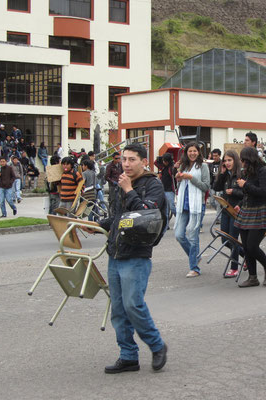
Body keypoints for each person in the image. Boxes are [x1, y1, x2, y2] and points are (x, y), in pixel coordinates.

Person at [82, 143, 168, 374]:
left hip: (137, 255)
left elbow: (145, 214)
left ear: (143, 162)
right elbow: (121, 218)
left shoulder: (153, 185)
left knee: (133, 305)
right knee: (119, 310)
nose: (126, 164)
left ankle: (157, 345)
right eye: (124, 159)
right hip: (116, 253)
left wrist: (129, 190)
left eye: (132, 160)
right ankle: (128, 356)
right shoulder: (122, 183)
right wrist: (98, 225)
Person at [234, 147, 266, 287]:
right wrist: (240, 204)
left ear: (250, 159)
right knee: (246, 247)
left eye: (243, 159)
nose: (242, 162)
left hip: (260, 210)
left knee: (252, 246)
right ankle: (253, 278)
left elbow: (263, 192)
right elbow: (246, 193)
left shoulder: (263, 171)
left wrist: (246, 185)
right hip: (246, 210)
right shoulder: (247, 172)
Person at [174, 142, 210, 278]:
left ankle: (194, 268)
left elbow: (206, 186)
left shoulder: (203, 166)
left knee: (193, 237)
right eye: (190, 151)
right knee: (178, 235)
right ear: (186, 153)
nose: (192, 153)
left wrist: (191, 178)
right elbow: (181, 185)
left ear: (199, 152)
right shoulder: (183, 166)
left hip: (197, 205)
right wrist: (179, 178)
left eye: (195, 151)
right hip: (183, 204)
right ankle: (195, 255)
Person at [213, 149, 244, 278]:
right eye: (225, 161)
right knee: (224, 239)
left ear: (235, 160)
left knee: (232, 239)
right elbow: (216, 187)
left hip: (236, 210)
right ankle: (247, 255)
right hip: (225, 209)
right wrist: (221, 174)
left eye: (229, 160)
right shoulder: (226, 174)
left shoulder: (241, 174)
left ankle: (234, 268)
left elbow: (246, 193)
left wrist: (234, 192)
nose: (227, 163)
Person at [155, 153, 177, 224]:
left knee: (172, 207)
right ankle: (166, 224)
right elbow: (155, 163)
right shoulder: (164, 167)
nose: (163, 162)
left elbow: (175, 177)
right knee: (166, 209)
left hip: (170, 190)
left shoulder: (171, 168)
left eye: (165, 160)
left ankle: (181, 218)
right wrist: (161, 157)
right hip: (163, 189)